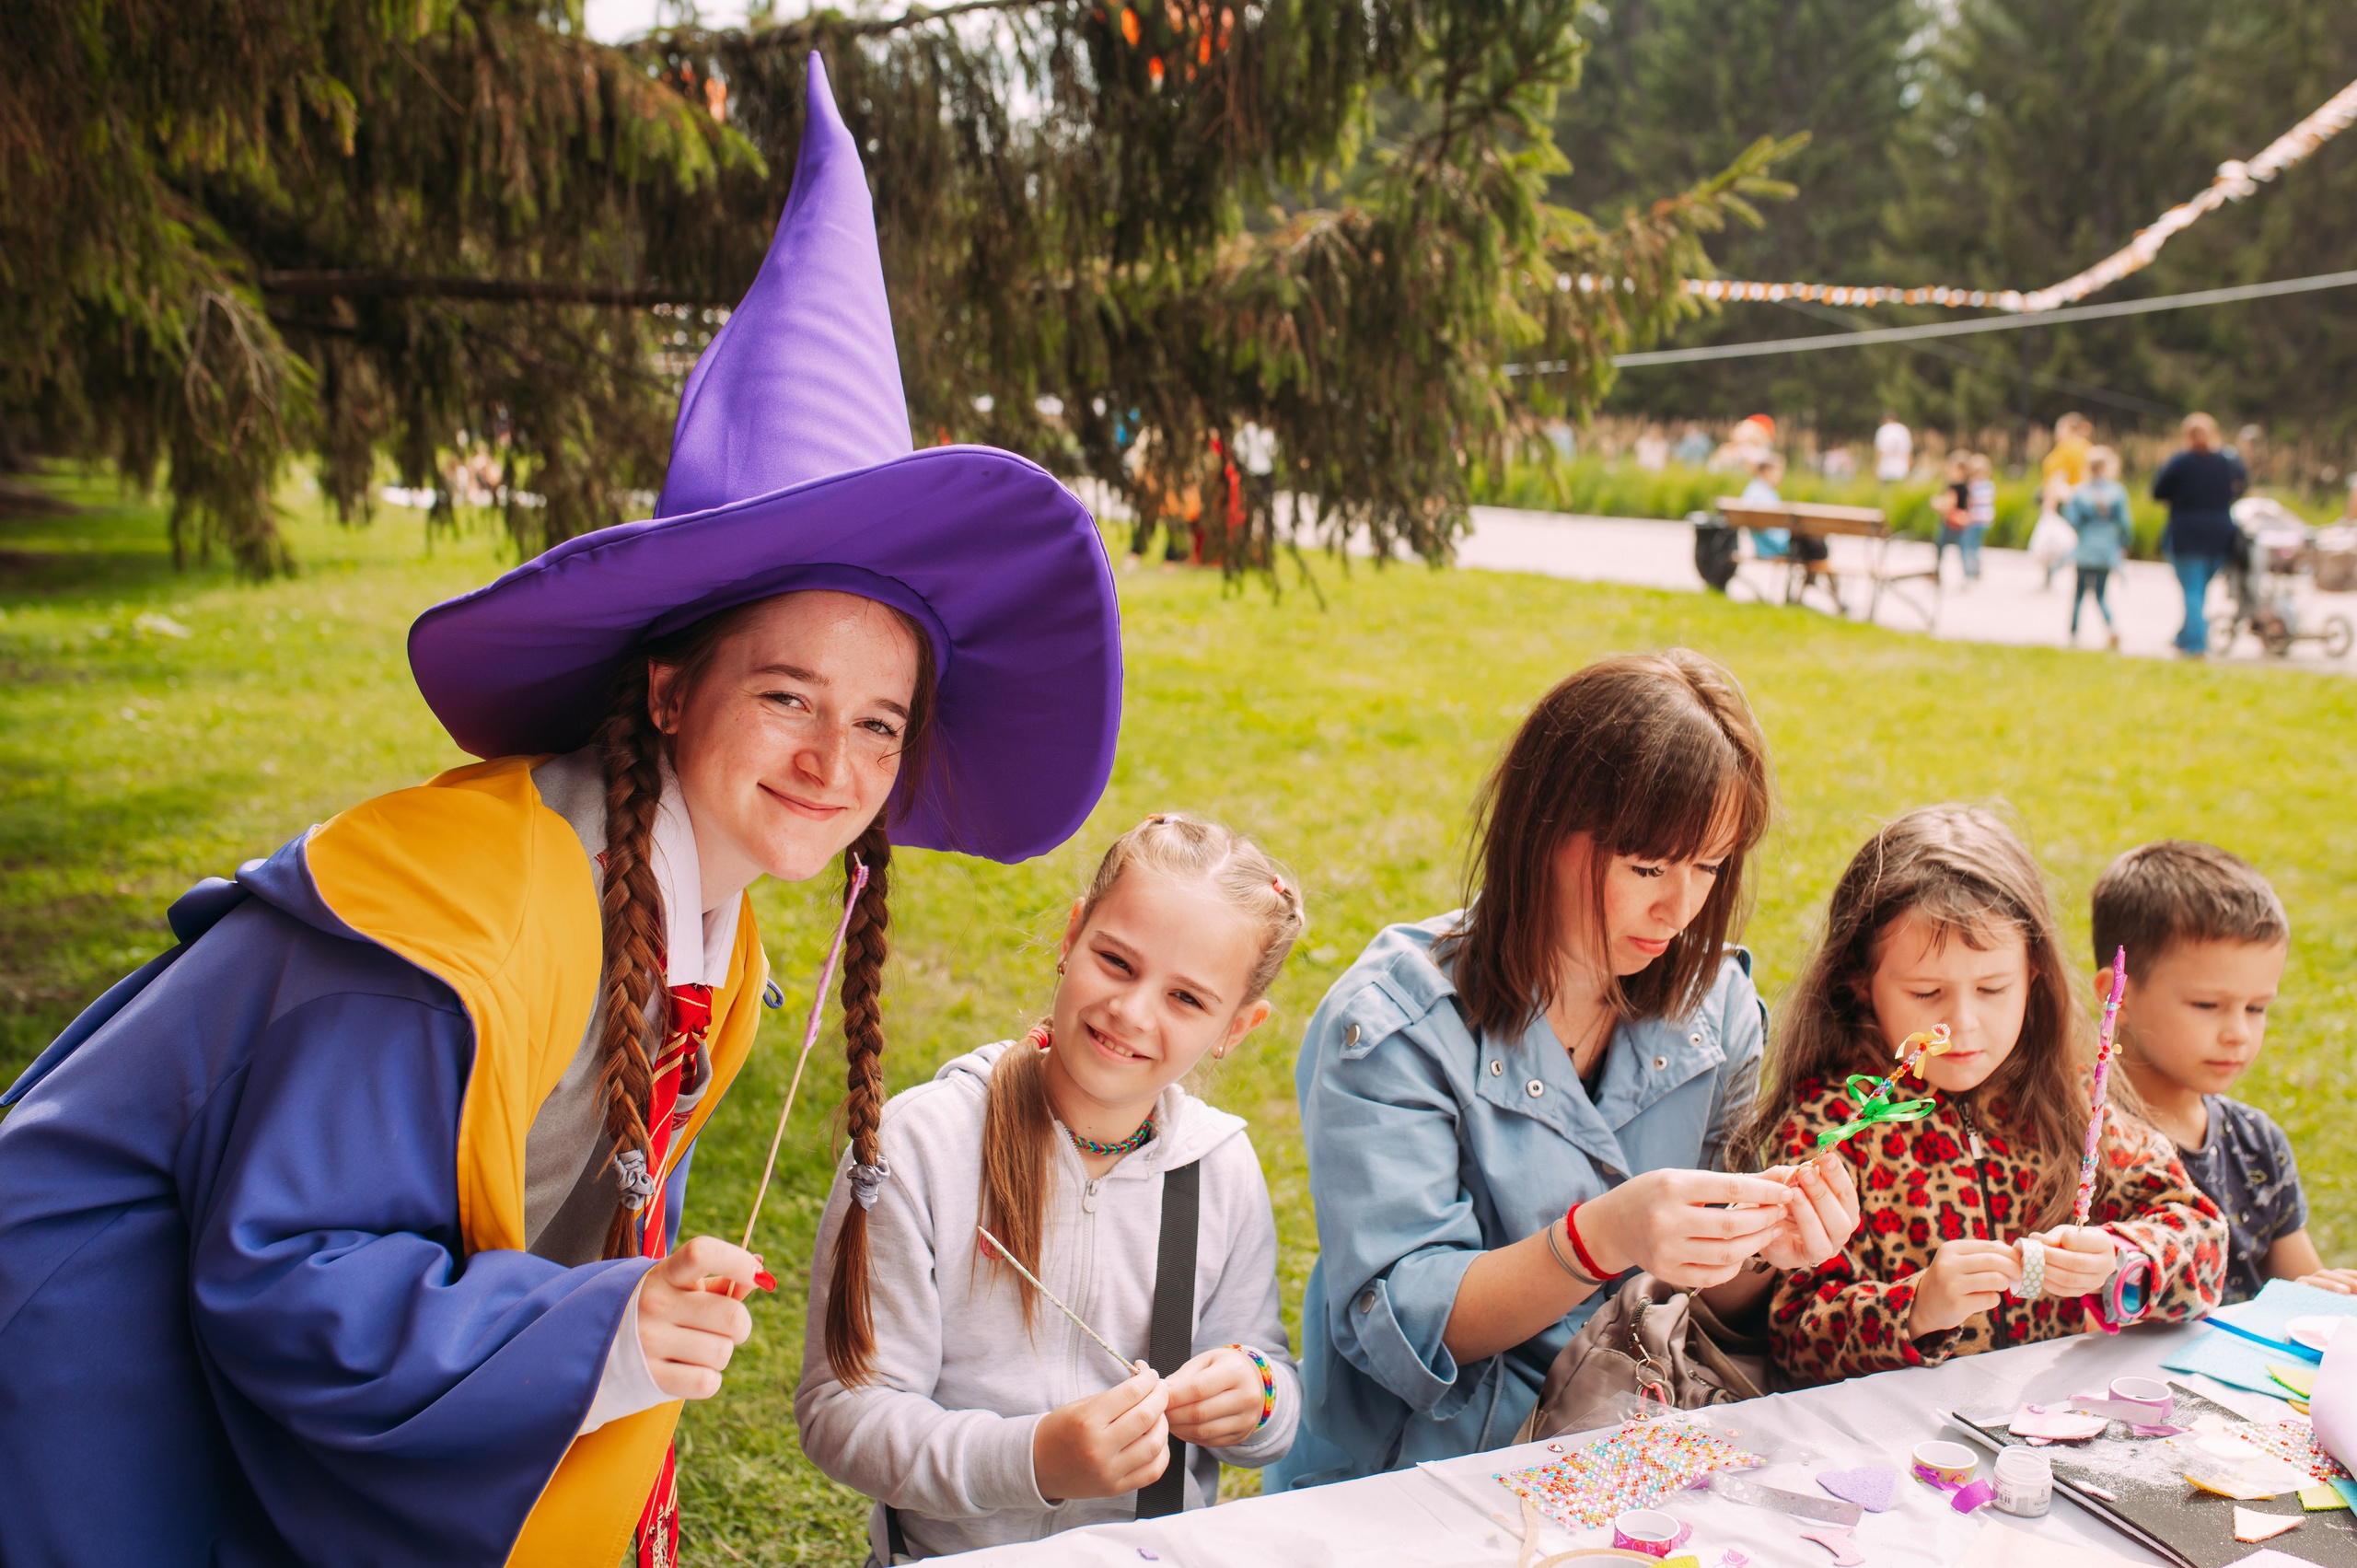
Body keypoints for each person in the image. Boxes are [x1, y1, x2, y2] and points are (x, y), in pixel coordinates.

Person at [0, 53, 1124, 1568]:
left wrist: (611, 1316)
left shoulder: (703, 936)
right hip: (88, 1372)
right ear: (668, 689)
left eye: (879, 722)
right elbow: (281, 1272)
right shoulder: (452, 921)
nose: (833, 760)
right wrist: (598, 1329)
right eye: (785, 694)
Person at [1274, 652, 1861, 1486]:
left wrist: (1764, 1248)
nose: (1680, 908)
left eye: (1709, 866)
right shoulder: (1392, 1026)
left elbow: (1694, 1297)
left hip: (1617, 1466)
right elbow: (1404, 1324)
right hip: (1417, 1484)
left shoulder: (1720, 1008)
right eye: (1647, 866)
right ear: (1542, 832)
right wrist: (1599, 1239)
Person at [797, 816, 1305, 1560]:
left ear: (1237, 1026)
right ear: (1073, 936)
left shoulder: (1220, 1170)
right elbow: (843, 1411)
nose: (1132, 1011)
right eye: (1116, 961)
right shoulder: (920, 1147)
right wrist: (1034, 1460)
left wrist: (1256, 1393)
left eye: (1187, 999)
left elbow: (1273, 1386)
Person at [1748, 807, 2225, 1384]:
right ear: (1861, 981)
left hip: (2053, 1419)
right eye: (1927, 992)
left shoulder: (2069, 1101)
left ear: (2033, 973)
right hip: (1903, 1429)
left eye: (1993, 988)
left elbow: (2202, 1236)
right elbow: (1796, 1335)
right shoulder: (1833, 1130)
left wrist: (2124, 1258)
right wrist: (1916, 1309)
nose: (1963, 1024)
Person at [2092, 842, 2357, 1304]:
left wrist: (2319, 1294)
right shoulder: (2080, 1144)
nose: (2238, 1033)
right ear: (2120, 996)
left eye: (2256, 1008)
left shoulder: (2256, 1143)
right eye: (2207, 1005)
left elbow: (2305, 1290)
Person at [2152, 412, 2249, 658]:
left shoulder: (2180, 462)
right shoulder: (2228, 461)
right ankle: (2185, 636)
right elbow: (2243, 485)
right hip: (2221, 532)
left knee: (2192, 589)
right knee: (2199, 588)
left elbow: (2158, 491)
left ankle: (2196, 644)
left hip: (2188, 531)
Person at [2063, 446, 2132, 648]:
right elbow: (2126, 524)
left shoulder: (2079, 492)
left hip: (2085, 547)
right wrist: (2123, 544)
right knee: (2101, 594)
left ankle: (2073, 633)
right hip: (2106, 549)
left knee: (2079, 593)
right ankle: (2111, 627)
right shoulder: (2117, 492)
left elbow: (2072, 520)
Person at [1934, 452, 1972, 583]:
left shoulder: (1953, 487)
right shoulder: (1966, 487)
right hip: (1963, 523)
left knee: (1940, 548)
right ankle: (1967, 575)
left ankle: (1936, 573)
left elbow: (1949, 504)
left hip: (1950, 523)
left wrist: (1936, 503)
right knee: (1963, 551)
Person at [1962, 451, 1997, 585]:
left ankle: (1971, 571)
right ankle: (1976, 569)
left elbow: (1969, 503)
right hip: (1986, 519)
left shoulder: (1972, 486)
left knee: (1970, 546)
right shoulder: (1989, 485)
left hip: (1974, 519)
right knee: (1977, 545)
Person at [2042, 412, 2094, 492]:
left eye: (2059, 428)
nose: (2056, 432)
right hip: (2086, 493)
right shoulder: (2090, 447)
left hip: (2064, 496)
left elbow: (2058, 478)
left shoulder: (2065, 447)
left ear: (2071, 429)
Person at [1874, 412, 1913, 483]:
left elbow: (1879, 451)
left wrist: (1876, 468)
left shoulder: (1883, 430)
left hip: (1886, 469)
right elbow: (1908, 451)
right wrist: (1910, 467)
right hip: (1902, 469)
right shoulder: (1903, 429)